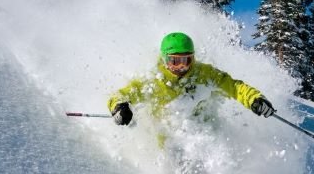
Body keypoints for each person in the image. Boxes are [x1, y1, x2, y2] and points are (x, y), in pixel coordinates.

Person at [107, 32, 275, 128]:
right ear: (165, 60)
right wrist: (119, 107)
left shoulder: (203, 73)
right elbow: (122, 94)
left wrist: (254, 99)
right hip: (168, 136)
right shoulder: (153, 81)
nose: (181, 67)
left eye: (186, 60)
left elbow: (233, 86)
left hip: (203, 128)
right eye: (175, 61)